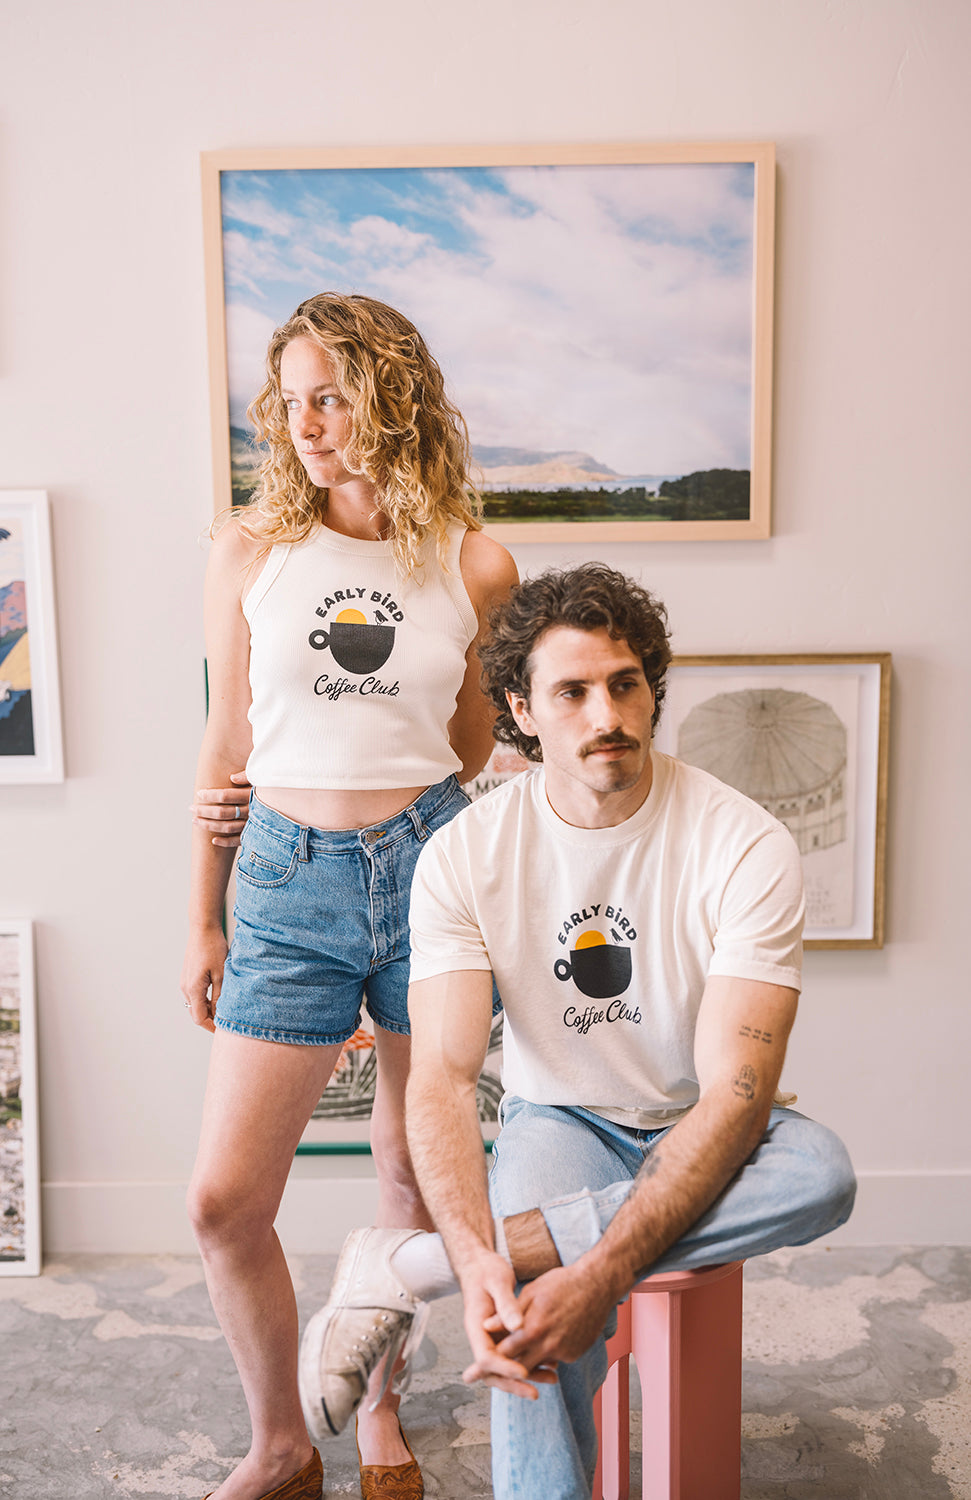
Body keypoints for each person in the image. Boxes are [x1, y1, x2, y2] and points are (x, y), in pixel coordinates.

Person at [297, 562, 857, 1499]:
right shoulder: (465, 855)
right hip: (561, 1118)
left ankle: (408, 1264)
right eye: (572, 692)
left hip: (699, 1115)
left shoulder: (743, 842)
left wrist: (592, 1273)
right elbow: (441, 1077)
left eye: (625, 684)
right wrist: (484, 1260)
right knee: (522, 1304)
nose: (608, 715)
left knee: (820, 1174)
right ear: (521, 710)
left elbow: (735, 1095)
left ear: (652, 690)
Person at [180, 292, 518, 1500]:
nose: (305, 426)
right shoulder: (249, 548)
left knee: (412, 1171)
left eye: (330, 397)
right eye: (289, 402)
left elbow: (467, 744)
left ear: (392, 397)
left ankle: (377, 1402)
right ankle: (280, 1446)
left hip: (432, 874)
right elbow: (226, 743)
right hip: (285, 880)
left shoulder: (475, 563)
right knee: (224, 1201)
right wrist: (203, 915)